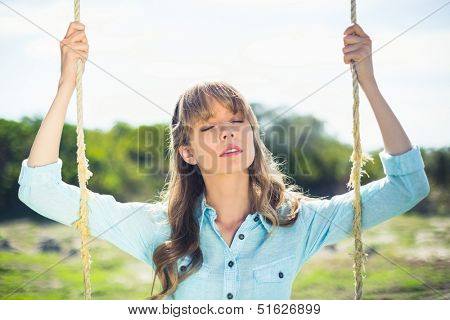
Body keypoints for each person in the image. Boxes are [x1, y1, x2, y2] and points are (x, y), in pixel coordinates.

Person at [17, 21, 430, 300]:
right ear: (188, 152)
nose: (229, 132)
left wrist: (369, 84)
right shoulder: (158, 229)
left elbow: (407, 187)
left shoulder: (299, 223)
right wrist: (67, 83)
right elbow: (41, 191)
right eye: (209, 127)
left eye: (237, 121)